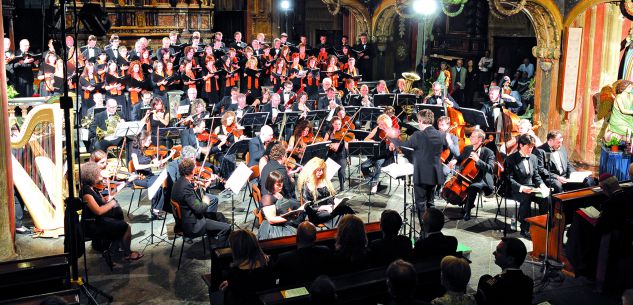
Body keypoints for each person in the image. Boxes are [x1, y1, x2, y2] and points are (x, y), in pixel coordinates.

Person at [386, 109, 445, 226]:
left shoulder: (418, 135)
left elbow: (404, 146)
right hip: (435, 173)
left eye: (418, 121)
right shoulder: (441, 134)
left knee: (421, 204)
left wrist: (392, 138)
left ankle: (425, 231)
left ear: (421, 121)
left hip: (422, 174)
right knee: (431, 202)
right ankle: (433, 228)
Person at [80, 162, 143, 260]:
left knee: (119, 220)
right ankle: (127, 254)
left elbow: (106, 199)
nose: (101, 175)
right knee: (126, 227)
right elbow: (98, 211)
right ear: (92, 176)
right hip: (92, 225)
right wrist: (112, 204)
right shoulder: (86, 193)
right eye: (99, 174)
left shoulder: (92, 188)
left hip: (98, 221)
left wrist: (126, 182)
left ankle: (115, 251)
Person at [171, 158, 231, 245]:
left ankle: (220, 242)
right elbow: (199, 208)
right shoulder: (186, 187)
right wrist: (206, 202)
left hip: (189, 218)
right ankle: (219, 252)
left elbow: (190, 200)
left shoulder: (180, 182)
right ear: (191, 171)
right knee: (226, 228)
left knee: (220, 216)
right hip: (193, 225)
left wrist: (202, 187)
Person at [504, 134, 549, 238]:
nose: (530, 149)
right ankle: (524, 228)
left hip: (531, 187)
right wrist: (522, 188)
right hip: (516, 189)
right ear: (520, 145)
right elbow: (509, 179)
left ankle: (542, 224)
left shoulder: (533, 158)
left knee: (545, 197)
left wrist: (542, 185)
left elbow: (536, 175)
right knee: (526, 198)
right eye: (528, 146)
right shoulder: (510, 159)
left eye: (532, 147)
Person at [448, 128, 495, 220]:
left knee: (472, 187)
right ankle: (463, 202)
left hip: (482, 179)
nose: (470, 138)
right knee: (461, 183)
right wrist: (455, 160)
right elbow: (460, 158)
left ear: (480, 139)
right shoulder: (467, 148)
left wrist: (478, 160)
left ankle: (467, 210)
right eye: (471, 136)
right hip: (467, 176)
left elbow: (491, 169)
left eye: (473, 137)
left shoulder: (488, 152)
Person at [219, 229, 275, 305]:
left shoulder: (235, 272)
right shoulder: (269, 261)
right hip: (266, 300)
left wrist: (230, 283)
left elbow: (239, 291)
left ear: (236, 249)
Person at [130, 130, 175, 219]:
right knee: (156, 184)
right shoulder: (135, 151)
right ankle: (155, 209)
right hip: (140, 177)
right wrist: (151, 165)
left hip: (149, 175)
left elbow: (157, 163)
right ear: (142, 140)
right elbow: (137, 166)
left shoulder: (149, 149)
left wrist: (170, 156)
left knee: (163, 182)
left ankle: (157, 208)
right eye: (149, 140)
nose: (151, 142)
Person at [296, 157, 354, 226]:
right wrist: (325, 207)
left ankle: (347, 229)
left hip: (329, 208)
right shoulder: (306, 185)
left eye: (322, 170)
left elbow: (330, 197)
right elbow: (309, 207)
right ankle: (339, 230)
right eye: (318, 170)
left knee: (346, 208)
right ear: (312, 170)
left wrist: (336, 201)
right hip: (316, 213)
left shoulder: (324, 181)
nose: (321, 172)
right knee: (339, 212)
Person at [476, 237, 533, 305]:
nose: (494, 252)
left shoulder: (495, 282)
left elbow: (489, 283)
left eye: (499, 251)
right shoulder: (529, 282)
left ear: (510, 260)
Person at [274, 221, 333, 286]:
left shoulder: (284, 259)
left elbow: (276, 280)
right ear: (315, 238)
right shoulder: (325, 251)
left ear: (296, 238)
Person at [257, 171, 302, 240]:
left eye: (282, 183)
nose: (281, 186)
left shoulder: (278, 193)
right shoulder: (267, 198)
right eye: (278, 185)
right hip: (273, 228)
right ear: (271, 184)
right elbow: (271, 220)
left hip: (282, 222)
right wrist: (289, 218)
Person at [362, 114, 396, 194]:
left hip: (386, 156)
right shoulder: (377, 129)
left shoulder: (391, 131)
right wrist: (371, 141)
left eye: (382, 124)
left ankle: (374, 184)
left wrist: (392, 145)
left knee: (378, 164)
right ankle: (372, 179)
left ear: (387, 124)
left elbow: (394, 147)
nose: (380, 125)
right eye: (379, 123)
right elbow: (366, 138)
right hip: (375, 154)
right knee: (363, 166)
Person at [323, 116, 349, 191]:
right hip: (331, 155)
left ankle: (342, 188)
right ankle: (326, 188)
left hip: (341, 155)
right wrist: (331, 145)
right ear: (332, 124)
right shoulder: (329, 132)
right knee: (326, 171)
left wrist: (347, 142)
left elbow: (346, 146)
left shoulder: (344, 132)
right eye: (336, 124)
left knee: (341, 172)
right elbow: (324, 143)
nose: (338, 126)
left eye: (339, 124)